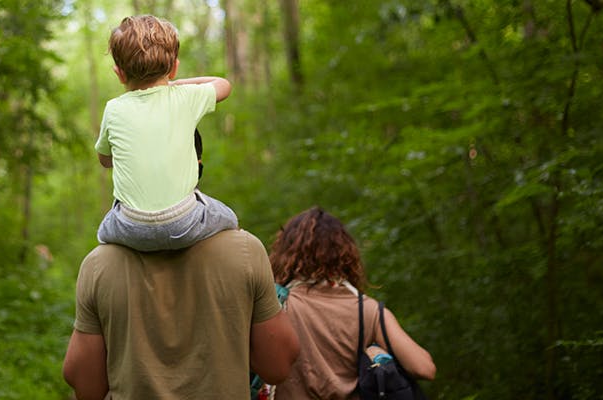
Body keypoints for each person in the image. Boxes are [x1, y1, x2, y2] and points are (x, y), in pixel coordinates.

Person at [62, 229, 300, 399]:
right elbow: (277, 365)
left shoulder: (98, 264)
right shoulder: (245, 251)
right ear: (196, 167)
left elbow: (86, 387)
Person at [93, 14, 239, 252]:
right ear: (174, 69)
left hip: (131, 227)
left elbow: (104, 159)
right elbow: (223, 84)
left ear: (119, 73)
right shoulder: (186, 97)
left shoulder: (114, 108)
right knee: (229, 217)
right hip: (184, 220)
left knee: (103, 233)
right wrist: (174, 85)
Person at [266, 207, 436, 399]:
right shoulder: (369, 310)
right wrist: (374, 352)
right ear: (345, 254)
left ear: (286, 253)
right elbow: (424, 368)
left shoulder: (275, 304)